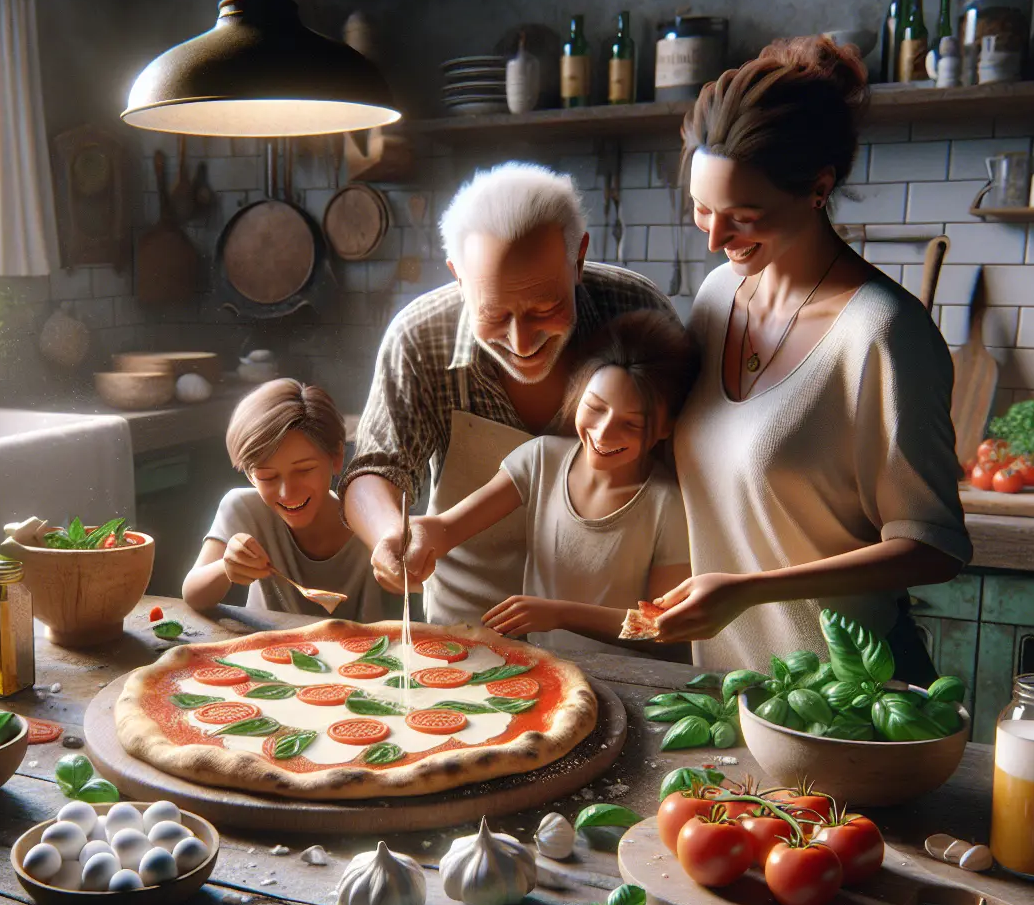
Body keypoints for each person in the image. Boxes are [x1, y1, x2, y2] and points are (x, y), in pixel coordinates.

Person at [654, 36, 970, 684]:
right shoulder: (717, 298)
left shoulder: (883, 333)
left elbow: (933, 547)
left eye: (742, 216)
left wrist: (749, 588)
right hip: (733, 685)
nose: (715, 238)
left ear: (818, 188)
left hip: (851, 694)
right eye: (701, 209)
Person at [343, 161, 676, 626]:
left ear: (577, 259)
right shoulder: (418, 337)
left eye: (546, 309)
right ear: (458, 275)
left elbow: (685, 462)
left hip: (604, 622)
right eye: (496, 316)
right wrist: (389, 537)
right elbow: (377, 466)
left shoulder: (638, 312)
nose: (522, 344)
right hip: (465, 622)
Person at [407, 310, 697, 653]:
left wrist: (559, 614)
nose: (603, 433)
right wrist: (419, 538)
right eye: (595, 408)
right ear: (577, 393)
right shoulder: (542, 459)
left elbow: (658, 624)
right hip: (543, 664)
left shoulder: (667, 504)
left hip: (627, 677)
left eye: (630, 424)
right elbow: (446, 528)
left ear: (664, 428)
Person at [183, 378, 386, 621]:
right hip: (263, 654)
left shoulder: (371, 523)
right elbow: (193, 594)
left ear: (336, 457)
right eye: (267, 477)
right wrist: (226, 568)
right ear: (250, 475)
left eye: (303, 470)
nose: (287, 493)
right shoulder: (245, 509)